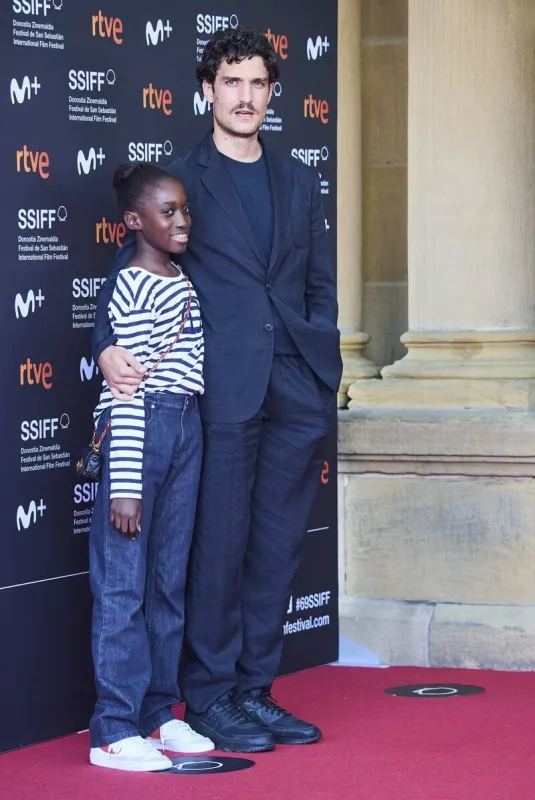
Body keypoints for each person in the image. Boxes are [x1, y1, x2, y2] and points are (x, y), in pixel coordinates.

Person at [92, 28, 342, 753]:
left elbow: (318, 282)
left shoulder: (299, 178)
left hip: (295, 387)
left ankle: (254, 689)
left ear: (272, 92)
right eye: (231, 82)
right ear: (207, 90)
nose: (244, 96)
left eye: (257, 83)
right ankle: (208, 697)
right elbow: (129, 273)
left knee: (275, 549)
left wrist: (319, 363)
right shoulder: (180, 180)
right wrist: (103, 346)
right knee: (219, 550)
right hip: (219, 391)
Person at [88, 162, 214, 772]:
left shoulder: (180, 276)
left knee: (166, 582)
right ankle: (113, 728)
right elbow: (127, 389)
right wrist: (126, 483)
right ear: (134, 221)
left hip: (186, 422)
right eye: (168, 212)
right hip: (144, 429)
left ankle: (158, 714)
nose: (182, 220)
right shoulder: (133, 284)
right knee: (122, 585)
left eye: (185, 210)